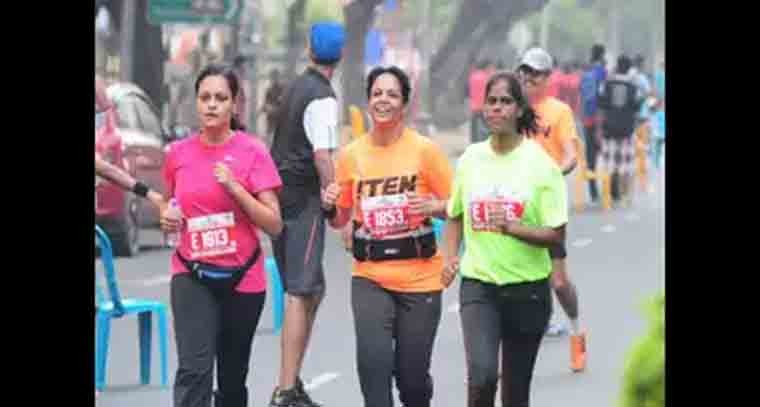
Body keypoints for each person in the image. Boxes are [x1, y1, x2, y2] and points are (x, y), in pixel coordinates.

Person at [321, 65, 453, 407]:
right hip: (370, 276)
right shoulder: (351, 155)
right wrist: (330, 206)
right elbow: (341, 219)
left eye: (392, 94)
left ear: (404, 104)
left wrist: (433, 206)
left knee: (412, 381)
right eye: (377, 93)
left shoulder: (425, 151)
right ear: (368, 101)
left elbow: (457, 205)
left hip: (420, 278)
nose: (383, 100)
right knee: (373, 370)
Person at [159, 63, 284, 407]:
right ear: (196, 102)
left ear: (234, 104)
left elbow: (274, 224)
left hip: (243, 279)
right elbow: (170, 202)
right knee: (194, 371)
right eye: (205, 98)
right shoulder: (178, 154)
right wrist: (168, 217)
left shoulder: (252, 151)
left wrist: (236, 188)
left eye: (220, 98)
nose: (212, 105)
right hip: (191, 273)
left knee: (231, 379)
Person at [443, 71, 568, 406]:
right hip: (479, 285)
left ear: (519, 109)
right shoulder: (470, 159)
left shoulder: (541, 166)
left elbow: (556, 234)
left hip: (528, 290)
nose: (497, 108)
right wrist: (450, 257)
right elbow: (455, 213)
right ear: (483, 108)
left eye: (506, 101)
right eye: (491, 102)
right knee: (482, 376)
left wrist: (514, 228)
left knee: (515, 394)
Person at [268, 21, 346, 407]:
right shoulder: (323, 97)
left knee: (311, 288)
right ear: (340, 56)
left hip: (279, 194)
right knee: (301, 290)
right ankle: (285, 391)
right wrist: (331, 203)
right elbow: (323, 157)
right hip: (303, 200)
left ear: (310, 49)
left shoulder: (295, 87)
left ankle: (291, 381)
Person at [517, 47, 586, 372]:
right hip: (517, 203)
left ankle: (576, 328)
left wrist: (557, 171)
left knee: (558, 282)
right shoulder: (512, 109)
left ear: (548, 77)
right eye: (525, 72)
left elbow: (571, 153)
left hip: (549, 204)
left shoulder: (559, 112)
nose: (529, 78)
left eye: (536, 73)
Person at [597, 54, 642, 206]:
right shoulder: (634, 87)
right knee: (626, 165)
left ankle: (607, 195)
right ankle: (625, 197)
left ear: (617, 66)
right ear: (629, 69)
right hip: (627, 131)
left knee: (608, 164)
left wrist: (599, 129)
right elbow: (637, 108)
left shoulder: (606, 84)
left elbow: (600, 106)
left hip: (608, 130)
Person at [579, 44, 608, 205]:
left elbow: (582, 95)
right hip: (601, 119)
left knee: (591, 156)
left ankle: (593, 193)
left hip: (587, 118)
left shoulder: (586, 72)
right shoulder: (602, 72)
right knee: (607, 153)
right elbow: (603, 95)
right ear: (602, 55)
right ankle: (611, 191)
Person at [468, 59, 493, 144]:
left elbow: (468, 91)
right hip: (485, 107)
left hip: (474, 107)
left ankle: (473, 144)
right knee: (487, 130)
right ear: (486, 67)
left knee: (474, 130)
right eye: (490, 67)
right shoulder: (488, 77)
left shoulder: (473, 76)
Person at [261, 68, 285, 142]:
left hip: (279, 121)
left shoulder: (283, 89)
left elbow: (284, 104)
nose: (274, 79)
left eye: (275, 77)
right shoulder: (269, 90)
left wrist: (275, 108)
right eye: (272, 77)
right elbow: (265, 104)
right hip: (271, 121)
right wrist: (266, 108)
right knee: (270, 138)